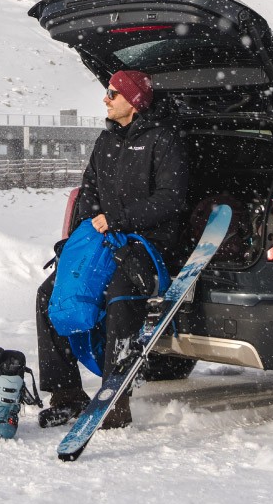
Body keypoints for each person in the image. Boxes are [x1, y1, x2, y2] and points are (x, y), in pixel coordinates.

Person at [35, 70, 188, 429]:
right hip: (105, 240)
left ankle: (115, 399)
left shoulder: (164, 139)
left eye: (113, 93)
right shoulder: (107, 140)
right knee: (49, 294)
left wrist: (119, 219)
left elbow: (171, 200)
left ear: (133, 101)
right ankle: (67, 394)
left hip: (148, 244)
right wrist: (77, 241)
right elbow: (89, 193)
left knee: (119, 296)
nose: (106, 99)